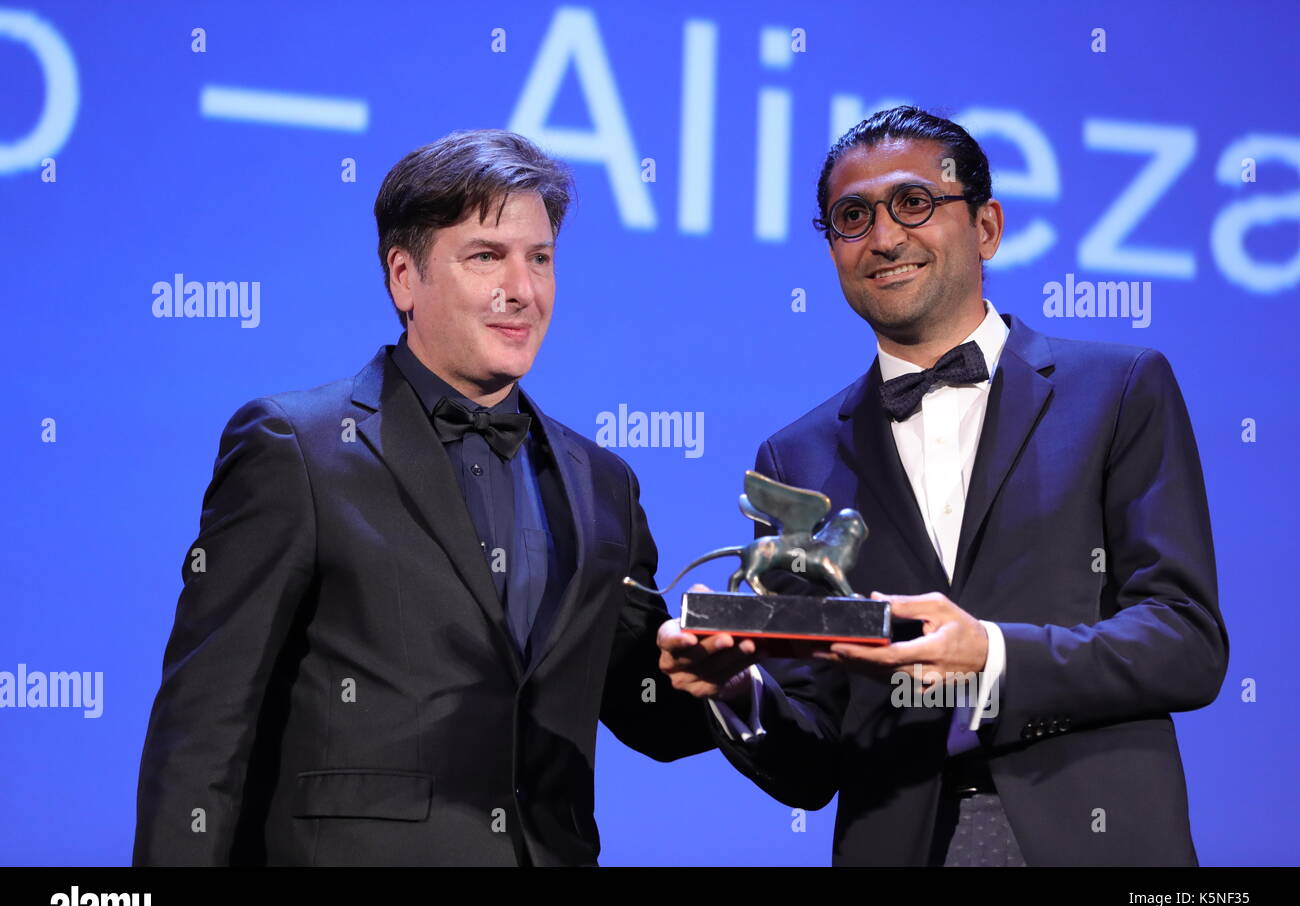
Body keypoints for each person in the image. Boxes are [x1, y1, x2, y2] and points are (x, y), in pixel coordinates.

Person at [658, 106, 1229, 866]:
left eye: (914, 203)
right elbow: (812, 762)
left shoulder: (1120, 389)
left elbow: (1184, 642)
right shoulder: (795, 459)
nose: (885, 237)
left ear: (986, 227)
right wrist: (737, 689)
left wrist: (991, 655)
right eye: (851, 218)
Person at [133, 129, 714, 867]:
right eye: (486, 256)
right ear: (404, 277)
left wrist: (731, 674)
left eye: (540, 258)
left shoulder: (603, 481)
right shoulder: (296, 447)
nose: (523, 290)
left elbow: (646, 712)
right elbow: (206, 725)